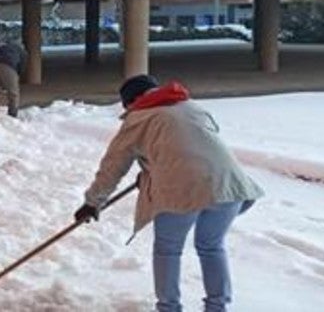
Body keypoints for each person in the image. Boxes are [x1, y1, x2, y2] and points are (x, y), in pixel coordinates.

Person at [74, 75, 264, 312]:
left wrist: (92, 202)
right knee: (211, 246)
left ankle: (168, 308)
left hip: (181, 190)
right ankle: (218, 307)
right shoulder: (190, 106)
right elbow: (194, 143)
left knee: (168, 249)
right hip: (229, 184)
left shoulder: (138, 118)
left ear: (132, 102)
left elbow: (113, 166)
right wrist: (154, 167)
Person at [0, 42, 27, 119]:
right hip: (8, 65)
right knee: (13, 93)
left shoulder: (1, 48)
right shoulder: (21, 51)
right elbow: (21, 66)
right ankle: (12, 114)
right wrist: (16, 77)